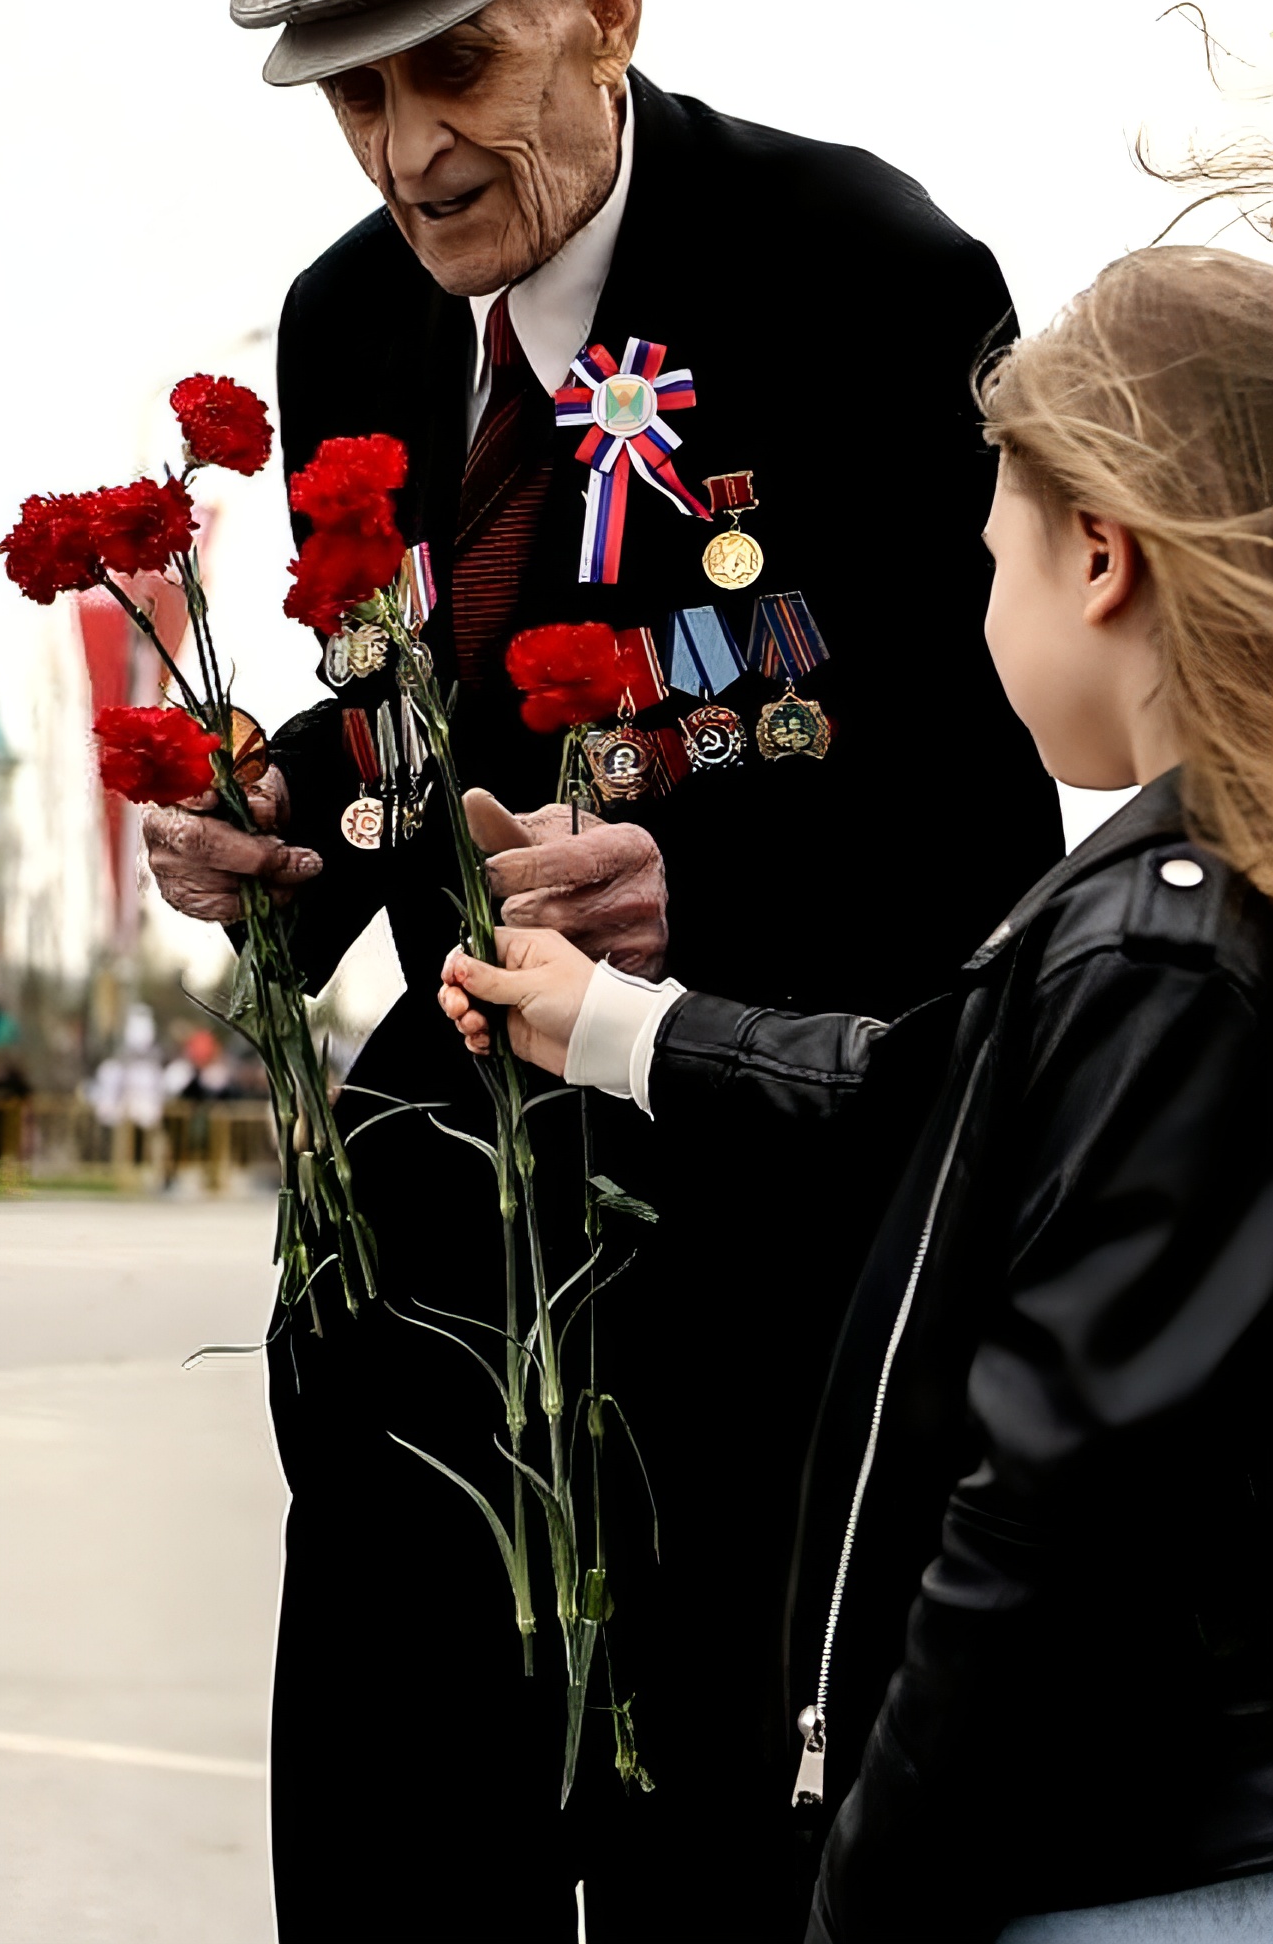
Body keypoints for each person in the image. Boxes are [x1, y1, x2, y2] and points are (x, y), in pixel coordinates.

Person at [145, 0, 1061, 1940]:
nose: (407, 151)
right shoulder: (350, 322)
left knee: (711, 1841)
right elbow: (412, 719)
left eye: (453, 66)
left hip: (746, 1197)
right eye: (353, 97)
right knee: (394, 1792)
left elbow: (994, 793)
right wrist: (289, 825)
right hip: (464, 1198)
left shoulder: (862, 274)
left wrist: (700, 902)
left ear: (606, 9)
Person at [441, 244, 1273, 1943]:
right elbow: (913, 1089)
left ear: (1100, 559)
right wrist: (615, 1025)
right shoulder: (1176, 910)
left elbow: (1034, 1536)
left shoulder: (1158, 950)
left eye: (996, 560)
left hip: (1118, 1865)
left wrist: (866, 1885)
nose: (986, 612)